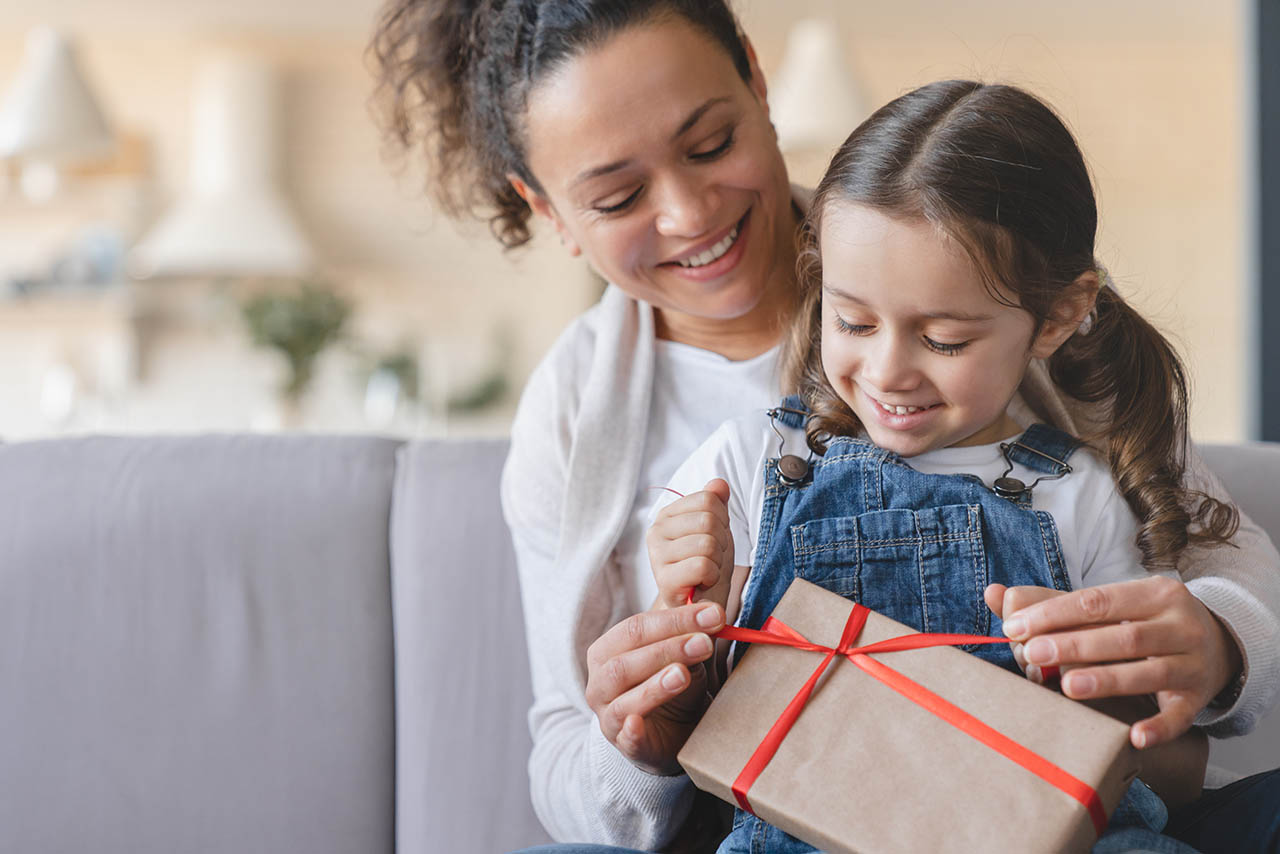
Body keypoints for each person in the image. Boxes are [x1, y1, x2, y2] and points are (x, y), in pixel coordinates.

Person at [366, 2, 1280, 851]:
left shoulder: (970, 257)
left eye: (711, 142)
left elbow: (1208, 550)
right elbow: (569, 768)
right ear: (547, 210)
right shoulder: (587, 418)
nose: (689, 214)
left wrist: (1216, 642)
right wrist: (645, 734)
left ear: (759, 86)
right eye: (615, 198)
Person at [648, 79, 1232, 853]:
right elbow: (679, 690)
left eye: (945, 340)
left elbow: (1151, 744)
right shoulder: (748, 465)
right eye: (852, 321)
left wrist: (1097, 696)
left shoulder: (1080, 494)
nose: (888, 371)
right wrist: (687, 603)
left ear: (1057, 316)